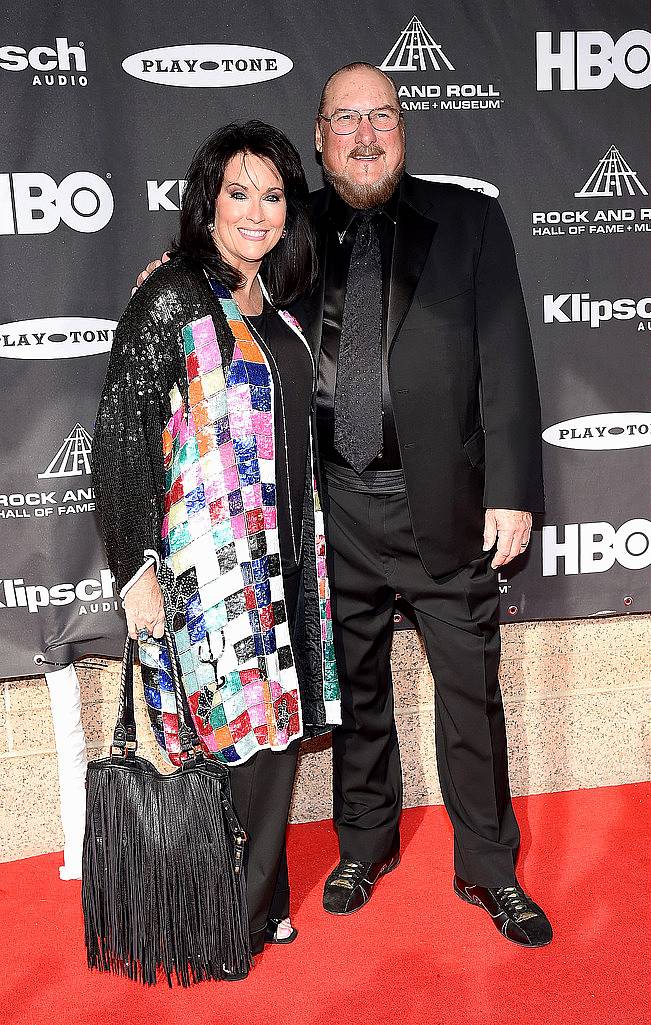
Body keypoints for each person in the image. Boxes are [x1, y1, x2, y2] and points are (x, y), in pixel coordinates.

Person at [136, 62, 553, 949]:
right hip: (330, 512)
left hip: (447, 506)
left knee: (469, 695)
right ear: (319, 139)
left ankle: (489, 863)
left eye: (382, 117)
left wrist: (513, 489)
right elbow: (231, 289)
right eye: (345, 121)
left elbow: (507, 356)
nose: (366, 136)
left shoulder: (469, 219)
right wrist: (174, 274)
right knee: (355, 689)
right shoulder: (293, 229)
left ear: (402, 128)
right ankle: (364, 843)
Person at [92, 120, 340, 963]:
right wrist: (135, 570)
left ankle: (257, 903)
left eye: (272, 195)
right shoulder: (173, 296)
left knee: (272, 740)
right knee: (229, 743)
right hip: (209, 573)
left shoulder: (272, 303)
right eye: (239, 192)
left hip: (282, 563)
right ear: (208, 200)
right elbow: (121, 435)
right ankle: (219, 923)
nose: (257, 210)